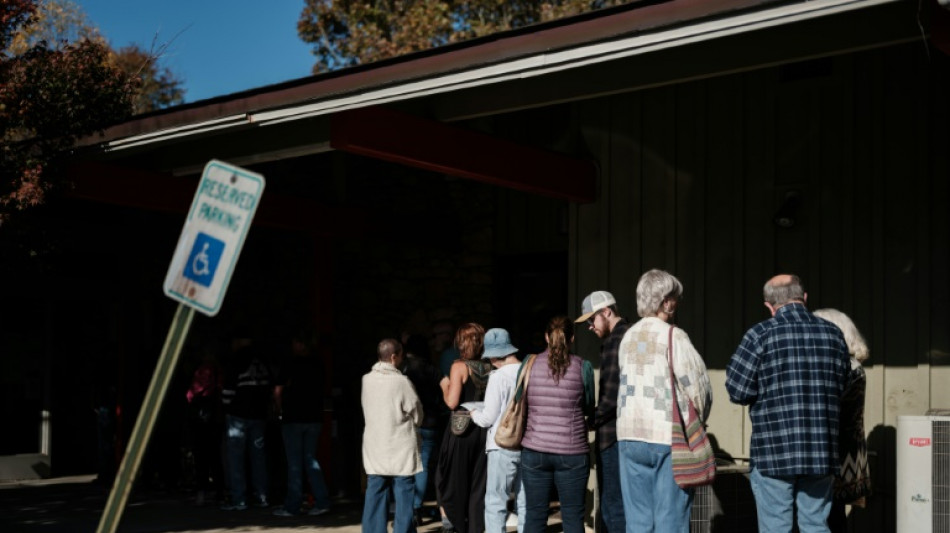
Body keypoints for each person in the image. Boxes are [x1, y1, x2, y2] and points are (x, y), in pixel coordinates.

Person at [726, 274, 851, 533]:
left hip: (774, 451)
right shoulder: (833, 334)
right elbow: (843, 385)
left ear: (769, 306)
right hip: (821, 450)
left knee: (775, 528)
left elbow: (737, 391)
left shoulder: (759, 335)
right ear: (804, 298)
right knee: (816, 525)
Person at [615, 269, 712, 532]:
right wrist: (698, 420)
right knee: (671, 519)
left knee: (637, 520)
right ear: (665, 301)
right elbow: (697, 386)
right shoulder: (673, 336)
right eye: (675, 297)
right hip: (665, 434)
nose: (677, 302)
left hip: (628, 434)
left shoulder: (627, 337)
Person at [520, 316, 594, 533]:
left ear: (546, 337)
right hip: (572, 452)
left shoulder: (528, 364)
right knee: (573, 517)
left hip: (534, 449)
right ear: (572, 338)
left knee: (534, 515)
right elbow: (588, 406)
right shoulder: (583, 367)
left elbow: (519, 402)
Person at [574, 290, 630, 533]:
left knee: (611, 505)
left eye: (591, 320)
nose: (589, 326)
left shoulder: (614, 342)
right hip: (627, 434)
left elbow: (611, 395)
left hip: (612, 436)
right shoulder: (630, 335)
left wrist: (589, 420)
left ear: (606, 312)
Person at [812, 309, 872, 533]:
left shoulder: (847, 368)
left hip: (837, 449)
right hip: (847, 447)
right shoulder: (854, 366)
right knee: (831, 511)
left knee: (830, 512)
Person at [361, 338, 424, 533]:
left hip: (375, 444)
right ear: (394, 356)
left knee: (375, 489)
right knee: (404, 490)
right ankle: (403, 530)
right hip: (400, 444)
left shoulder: (366, 379)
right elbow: (416, 411)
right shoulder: (401, 382)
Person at [435, 323, 492, 533]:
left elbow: (451, 402)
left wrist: (444, 385)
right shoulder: (490, 366)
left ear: (462, 343)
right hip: (484, 429)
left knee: (450, 481)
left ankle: (457, 525)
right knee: (478, 485)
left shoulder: (459, 366)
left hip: (461, 430)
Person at [469, 328, 527, 533]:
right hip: (527, 442)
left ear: (493, 355)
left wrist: (473, 413)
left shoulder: (497, 377)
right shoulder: (527, 370)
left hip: (501, 444)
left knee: (496, 502)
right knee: (525, 500)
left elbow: (487, 419)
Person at [272, 329, 332, 517]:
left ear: (300, 344)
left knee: (294, 463)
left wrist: (279, 411)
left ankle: (293, 505)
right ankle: (322, 501)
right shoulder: (318, 364)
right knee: (310, 460)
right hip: (314, 417)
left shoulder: (290, 363)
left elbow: (278, 391)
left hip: (294, 417)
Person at [220, 336, 274, 511]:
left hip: (238, 415)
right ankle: (262, 495)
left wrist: (225, 407)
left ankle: (239, 499)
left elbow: (228, 390)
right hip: (258, 416)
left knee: (236, 458)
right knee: (258, 457)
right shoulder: (262, 361)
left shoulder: (236, 361)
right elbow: (270, 387)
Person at [404, 333, 444, 525]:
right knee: (425, 465)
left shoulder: (406, 371)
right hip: (431, 421)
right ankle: (418, 507)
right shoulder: (432, 369)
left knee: (411, 467)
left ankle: (412, 509)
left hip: (412, 422)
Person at [185, 348, 223, 505]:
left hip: (200, 419)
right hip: (214, 418)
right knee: (215, 456)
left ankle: (201, 491)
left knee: (200, 456)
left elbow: (190, 394)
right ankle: (219, 491)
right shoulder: (218, 371)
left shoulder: (200, 371)